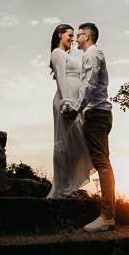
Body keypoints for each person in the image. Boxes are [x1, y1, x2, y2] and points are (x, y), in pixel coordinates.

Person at [70, 21, 115, 232]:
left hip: (97, 115)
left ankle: (107, 215)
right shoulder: (89, 55)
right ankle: (108, 214)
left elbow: (89, 83)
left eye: (79, 35)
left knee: (102, 163)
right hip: (96, 114)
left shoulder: (93, 54)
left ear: (87, 36)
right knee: (98, 161)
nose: (76, 38)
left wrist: (76, 110)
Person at [46, 23, 95, 199]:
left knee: (76, 144)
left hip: (75, 102)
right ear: (60, 35)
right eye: (70, 35)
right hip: (65, 101)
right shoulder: (57, 53)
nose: (73, 39)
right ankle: (61, 188)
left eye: (74, 35)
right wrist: (66, 102)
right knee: (65, 144)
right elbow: (61, 78)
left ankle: (67, 187)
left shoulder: (67, 55)